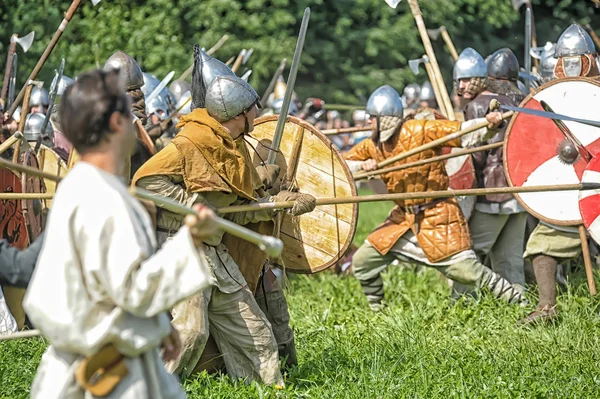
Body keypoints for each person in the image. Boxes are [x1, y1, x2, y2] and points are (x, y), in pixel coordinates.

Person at [23, 68, 217, 398]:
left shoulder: (77, 187)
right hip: (108, 376)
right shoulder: (106, 200)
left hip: (89, 360)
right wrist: (191, 240)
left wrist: (157, 325)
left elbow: (103, 286)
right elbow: (134, 290)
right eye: (130, 115)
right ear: (116, 123)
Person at [133, 45, 315, 384]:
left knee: (256, 335)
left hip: (214, 252)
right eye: (252, 109)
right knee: (190, 332)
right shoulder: (190, 142)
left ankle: (267, 389)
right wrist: (191, 204)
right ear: (237, 112)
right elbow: (145, 181)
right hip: (182, 248)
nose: (258, 114)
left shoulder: (232, 149)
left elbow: (232, 211)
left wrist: (279, 203)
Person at [344, 85, 527, 311]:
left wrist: (488, 125)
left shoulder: (421, 129)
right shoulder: (373, 145)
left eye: (372, 118)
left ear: (385, 119)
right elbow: (344, 164)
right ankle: (378, 312)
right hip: (403, 221)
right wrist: (363, 166)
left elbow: (461, 132)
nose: (368, 122)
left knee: (469, 272)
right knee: (363, 262)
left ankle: (520, 303)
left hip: (437, 216)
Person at [520, 23, 599, 324]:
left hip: (598, 188)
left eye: (575, 60)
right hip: (569, 185)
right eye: (564, 60)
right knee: (542, 245)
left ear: (588, 59)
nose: (569, 66)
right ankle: (546, 307)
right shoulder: (552, 97)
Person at [454, 47, 528, 289]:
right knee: (510, 262)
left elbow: (475, 157)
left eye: (467, 79)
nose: (462, 86)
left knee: (467, 255)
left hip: (492, 193)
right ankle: (519, 307)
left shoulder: (478, 106)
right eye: (459, 80)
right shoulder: (516, 100)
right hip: (518, 192)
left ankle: (461, 310)